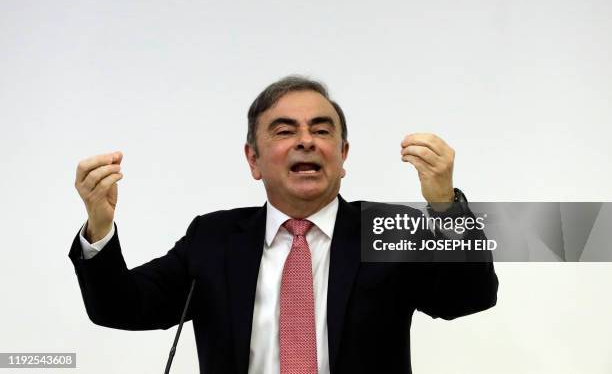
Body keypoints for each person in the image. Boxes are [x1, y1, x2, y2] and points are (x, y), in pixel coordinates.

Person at [69, 76, 498, 374]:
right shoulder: (214, 239)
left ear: (343, 155)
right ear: (253, 159)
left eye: (321, 130)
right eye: (285, 130)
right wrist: (99, 226)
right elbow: (121, 306)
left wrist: (445, 206)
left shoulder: (385, 228)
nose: (306, 141)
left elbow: (468, 297)